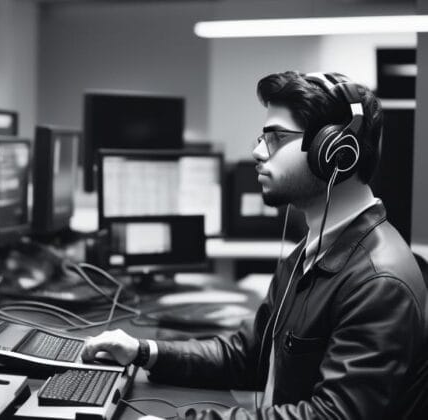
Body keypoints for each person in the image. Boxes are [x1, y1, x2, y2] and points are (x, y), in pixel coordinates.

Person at [82, 71, 428, 419]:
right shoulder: (312, 251)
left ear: (335, 151)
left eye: (276, 137)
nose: (258, 152)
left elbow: (332, 416)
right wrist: (143, 351)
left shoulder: (378, 283)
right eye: (262, 138)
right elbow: (248, 357)